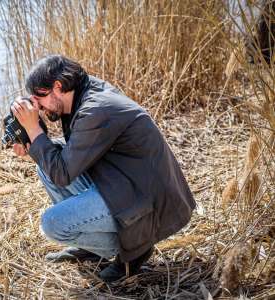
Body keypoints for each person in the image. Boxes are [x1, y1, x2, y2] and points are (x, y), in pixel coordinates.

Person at [10, 54, 196, 282]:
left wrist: (34, 131)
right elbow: (63, 160)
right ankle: (92, 247)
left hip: (148, 200)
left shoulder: (96, 109)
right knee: (44, 166)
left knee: (52, 224)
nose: (37, 105)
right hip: (123, 179)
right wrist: (31, 134)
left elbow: (62, 174)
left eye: (40, 96)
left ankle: (134, 250)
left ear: (58, 86)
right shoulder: (82, 92)